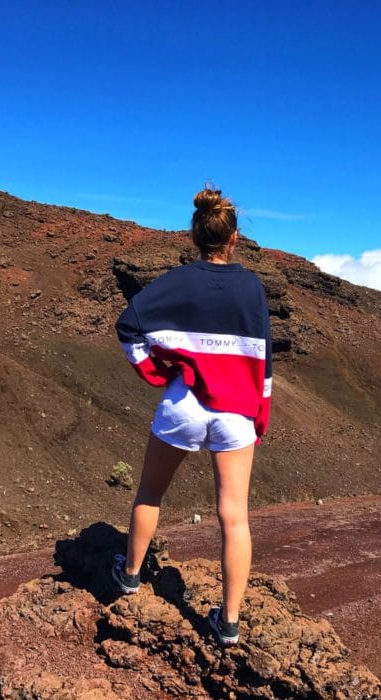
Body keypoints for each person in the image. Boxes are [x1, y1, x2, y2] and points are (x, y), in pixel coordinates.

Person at [112, 185, 272, 646]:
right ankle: (230, 624)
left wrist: (158, 370)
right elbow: (262, 358)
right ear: (234, 238)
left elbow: (129, 324)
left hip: (184, 404)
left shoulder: (178, 281)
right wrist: (260, 413)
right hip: (236, 410)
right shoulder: (253, 288)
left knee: (150, 493)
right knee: (234, 517)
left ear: (194, 234)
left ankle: (130, 576)